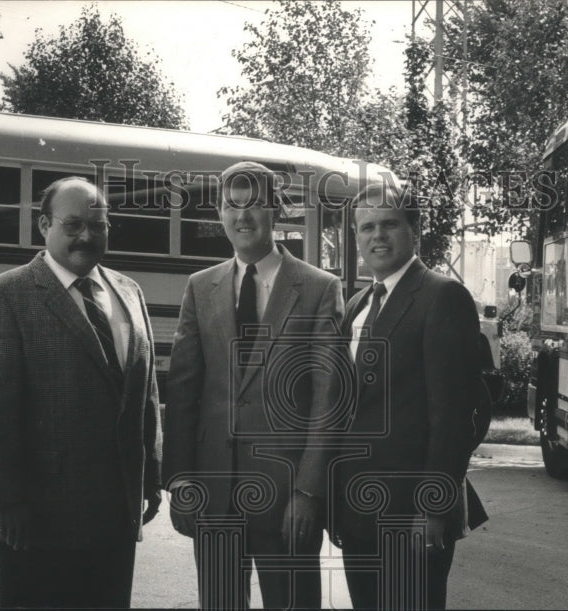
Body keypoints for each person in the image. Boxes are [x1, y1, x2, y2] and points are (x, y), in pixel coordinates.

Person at [0, 176, 162, 608]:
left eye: (99, 225)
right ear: (43, 226)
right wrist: (3, 502)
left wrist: (151, 478)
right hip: (37, 521)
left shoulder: (128, 292)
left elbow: (145, 392)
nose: (87, 235)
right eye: (72, 225)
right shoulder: (3, 296)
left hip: (114, 517)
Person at [162, 161, 345, 609]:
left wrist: (307, 491)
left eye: (255, 205)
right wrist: (180, 480)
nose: (242, 217)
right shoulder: (200, 287)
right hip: (214, 496)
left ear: (276, 211)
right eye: (231, 205)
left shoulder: (319, 288)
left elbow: (329, 398)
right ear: (220, 215)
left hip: (287, 502)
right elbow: (183, 391)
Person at [331, 183, 490, 610]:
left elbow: (454, 416)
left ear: (413, 229)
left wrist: (434, 508)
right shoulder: (357, 305)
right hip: (357, 509)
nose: (376, 236)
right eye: (366, 228)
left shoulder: (443, 296)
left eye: (389, 224)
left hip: (413, 515)